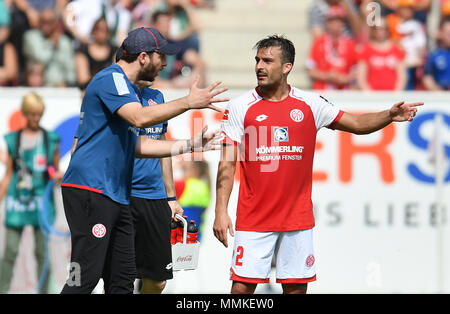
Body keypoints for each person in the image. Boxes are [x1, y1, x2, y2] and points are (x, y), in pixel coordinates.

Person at [213, 35, 423, 295]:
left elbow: (357, 124)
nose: (259, 66)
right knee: (241, 289)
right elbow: (227, 164)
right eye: (257, 60)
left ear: (287, 67)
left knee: (296, 289)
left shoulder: (311, 104)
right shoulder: (239, 107)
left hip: (297, 219)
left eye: (268, 60)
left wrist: (389, 115)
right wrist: (220, 211)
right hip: (254, 219)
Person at [59, 26, 227, 294]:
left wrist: (190, 145)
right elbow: (139, 118)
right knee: (85, 277)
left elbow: (139, 145)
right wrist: (188, 102)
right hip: (91, 190)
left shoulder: (130, 90)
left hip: (115, 194)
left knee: (122, 279)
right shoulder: (111, 80)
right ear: (143, 57)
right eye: (162, 56)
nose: (165, 63)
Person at [0, 91, 64, 294]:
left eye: (39, 114)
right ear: (25, 114)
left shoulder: (50, 139)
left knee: (41, 253)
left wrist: (56, 174)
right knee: (10, 252)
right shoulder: (13, 140)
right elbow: (9, 173)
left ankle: (43, 291)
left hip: (41, 205)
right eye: (31, 114)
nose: (35, 119)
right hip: (17, 203)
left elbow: (53, 168)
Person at [129, 79, 184, 294]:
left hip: (155, 197)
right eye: (156, 57)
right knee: (118, 277)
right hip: (123, 196)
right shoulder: (120, 95)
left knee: (158, 280)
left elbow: (162, 145)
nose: (161, 63)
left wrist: (171, 198)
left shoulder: (157, 97)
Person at [306, 5, 359, 90]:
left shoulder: (350, 44)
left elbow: (356, 71)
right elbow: (310, 70)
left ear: (343, 23)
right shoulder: (318, 43)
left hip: (344, 92)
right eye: (331, 20)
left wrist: (345, 78)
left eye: (338, 20)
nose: (335, 24)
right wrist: (327, 76)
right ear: (326, 22)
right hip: (322, 92)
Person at [22, 8, 76, 87]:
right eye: (43, 21)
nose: (45, 25)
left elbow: (70, 67)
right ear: (39, 21)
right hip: (38, 85)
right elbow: (41, 59)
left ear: (56, 23)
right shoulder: (30, 36)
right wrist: (52, 44)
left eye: (49, 22)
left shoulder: (64, 41)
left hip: (62, 87)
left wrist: (69, 84)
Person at [356, 18, 407, 90]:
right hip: (372, 97)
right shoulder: (366, 50)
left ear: (387, 30)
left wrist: (396, 94)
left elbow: (402, 78)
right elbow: (361, 79)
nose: (379, 32)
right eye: (376, 29)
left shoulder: (397, 50)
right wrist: (369, 95)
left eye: (382, 29)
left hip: (393, 96)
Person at [75, 17, 117, 90]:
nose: (102, 33)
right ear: (93, 31)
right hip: (88, 90)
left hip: (109, 90)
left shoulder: (115, 51)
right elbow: (83, 79)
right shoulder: (83, 51)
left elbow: (117, 76)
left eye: (105, 30)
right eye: (99, 29)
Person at [175, 160, 210, 241]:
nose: (182, 172)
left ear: (195, 170)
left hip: (181, 235)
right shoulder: (204, 187)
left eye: (184, 169)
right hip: (195, 235)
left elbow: (164, 183)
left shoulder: (185, 185)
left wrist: (174, 168)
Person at [423, 17, 450, 90]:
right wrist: (438, 92)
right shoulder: (434, 54)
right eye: (448, 34)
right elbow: (427, 77)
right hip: (442, 96)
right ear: (439, 33)